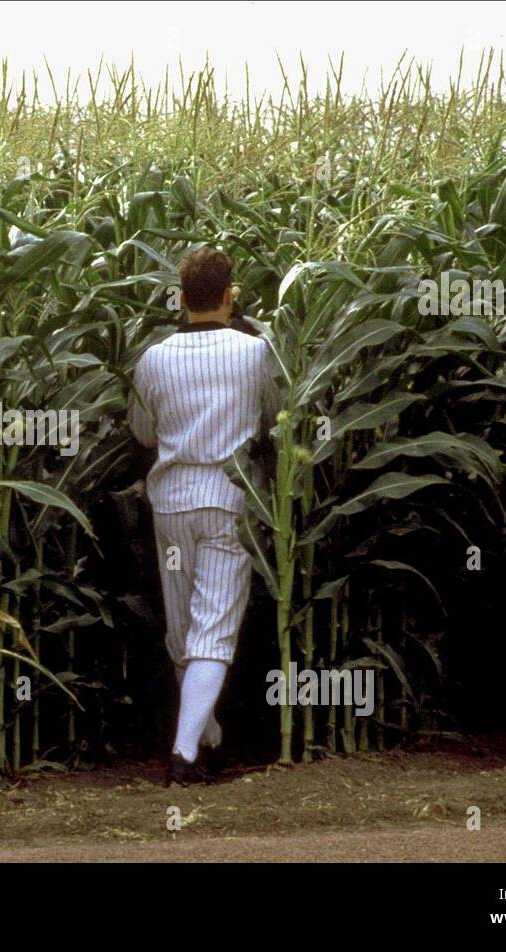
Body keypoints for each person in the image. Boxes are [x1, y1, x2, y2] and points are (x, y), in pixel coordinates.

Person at [128, 247, 278, 785]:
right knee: (212, 630)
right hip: (229, 498)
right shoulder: (257, 352)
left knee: (183, 630)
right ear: (229, 295)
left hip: (170, 502)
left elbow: (144, 433)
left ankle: (207, 736)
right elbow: (272, 419)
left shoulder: (152, 359)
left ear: (181, 295)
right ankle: (185, 755)